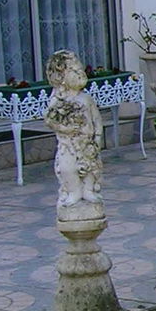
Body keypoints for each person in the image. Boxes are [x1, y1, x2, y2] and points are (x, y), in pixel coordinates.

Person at [44, 50, 104, 214]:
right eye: (73, 70)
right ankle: (74, 191)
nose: (79, 72)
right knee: (67, 168)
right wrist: (65, 129)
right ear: (60, 78)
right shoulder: (58, 100)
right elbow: (50, 120)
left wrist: (97, 137)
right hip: (68, 144)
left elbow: (97, 119)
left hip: (87, 143)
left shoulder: (86, 99)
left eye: (80, 69)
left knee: (91, 167)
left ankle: (88, 190)